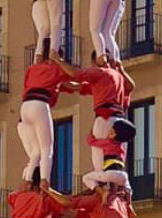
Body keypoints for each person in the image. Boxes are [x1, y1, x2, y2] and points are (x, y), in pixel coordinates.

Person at [53, 54, 135, 188]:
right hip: (120, 122)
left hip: (104, 118)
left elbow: (76, 75)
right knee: (117, 163)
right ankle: (119, 192)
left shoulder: (100, 73)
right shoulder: (117, 77)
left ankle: (102, 192)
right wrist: (121, 69)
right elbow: (131, 86)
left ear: (97, 60)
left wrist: (57, 60)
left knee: (99, 168)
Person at [18, 40, 78, 188]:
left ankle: (27, 180)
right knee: (47, 148)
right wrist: (59, 61)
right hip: (40, 104)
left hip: (24, 108)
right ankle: (45, 181)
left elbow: (39, 84)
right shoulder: (56, 69)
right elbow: (74, 76)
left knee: (35, 153)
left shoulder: (32, 69)